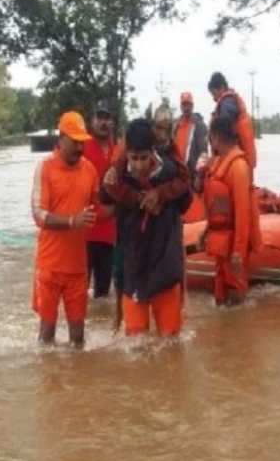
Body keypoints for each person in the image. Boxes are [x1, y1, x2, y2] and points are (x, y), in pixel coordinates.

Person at [101, 118, 191, 337]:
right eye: (134, 158)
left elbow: (186, 203)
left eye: (144, 158)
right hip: (134, 268)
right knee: (135, 344)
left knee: (170, 341)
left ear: (153, 152)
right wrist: (114, 186)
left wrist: (160, 195)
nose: (139, 165)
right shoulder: (117, 175)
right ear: (127, 154)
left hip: (165, 267)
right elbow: (103, 197)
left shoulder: (172, 172)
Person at [31, 111, 106, 348]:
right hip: (49, 267)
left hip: (77, 268)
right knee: (46, 335)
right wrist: (72, 221)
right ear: (61, 138)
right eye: (74, 141)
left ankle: (79, 384)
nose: (79, 147)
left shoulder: (90, 170)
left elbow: (100, 207)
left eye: (82, 142)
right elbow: (38, 214)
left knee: (78, 339)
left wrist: (123, 197)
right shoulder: (44, 168)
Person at [201, 116, 258, 306]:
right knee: (220, 296)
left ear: (215, 137)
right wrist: (206, 231)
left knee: (235, 296)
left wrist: (238, 252)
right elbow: (217, 207)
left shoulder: (238, 167)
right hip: (221, 242)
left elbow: (243, 213)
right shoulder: (219, 163)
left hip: (234, 244)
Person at [81, 101, 117, 298]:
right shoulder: (82, 148)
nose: (103, 122)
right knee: (79, 290)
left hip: (109, 233)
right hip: (84, 232)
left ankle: (100, 329)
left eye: (107, 118)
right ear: (92, 121)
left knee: (103, 294)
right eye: (100, 117)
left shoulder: (118, 150)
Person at [208, 72, 257, 170]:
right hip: (241, 159)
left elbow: (224, 128)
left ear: (221, 87)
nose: (213, 98)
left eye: (214, 93)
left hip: (236, 161)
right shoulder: (230, 101)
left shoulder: (227, 103)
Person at [172, 92, 208, 179]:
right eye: (184, 104)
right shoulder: (175, 124)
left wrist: (198, 175)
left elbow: (203, 152)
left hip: (192, 173)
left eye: (189, 104)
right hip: (177, 172)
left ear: (192, 106)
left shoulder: (199, 125)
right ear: (181, 106)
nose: (186, 108)